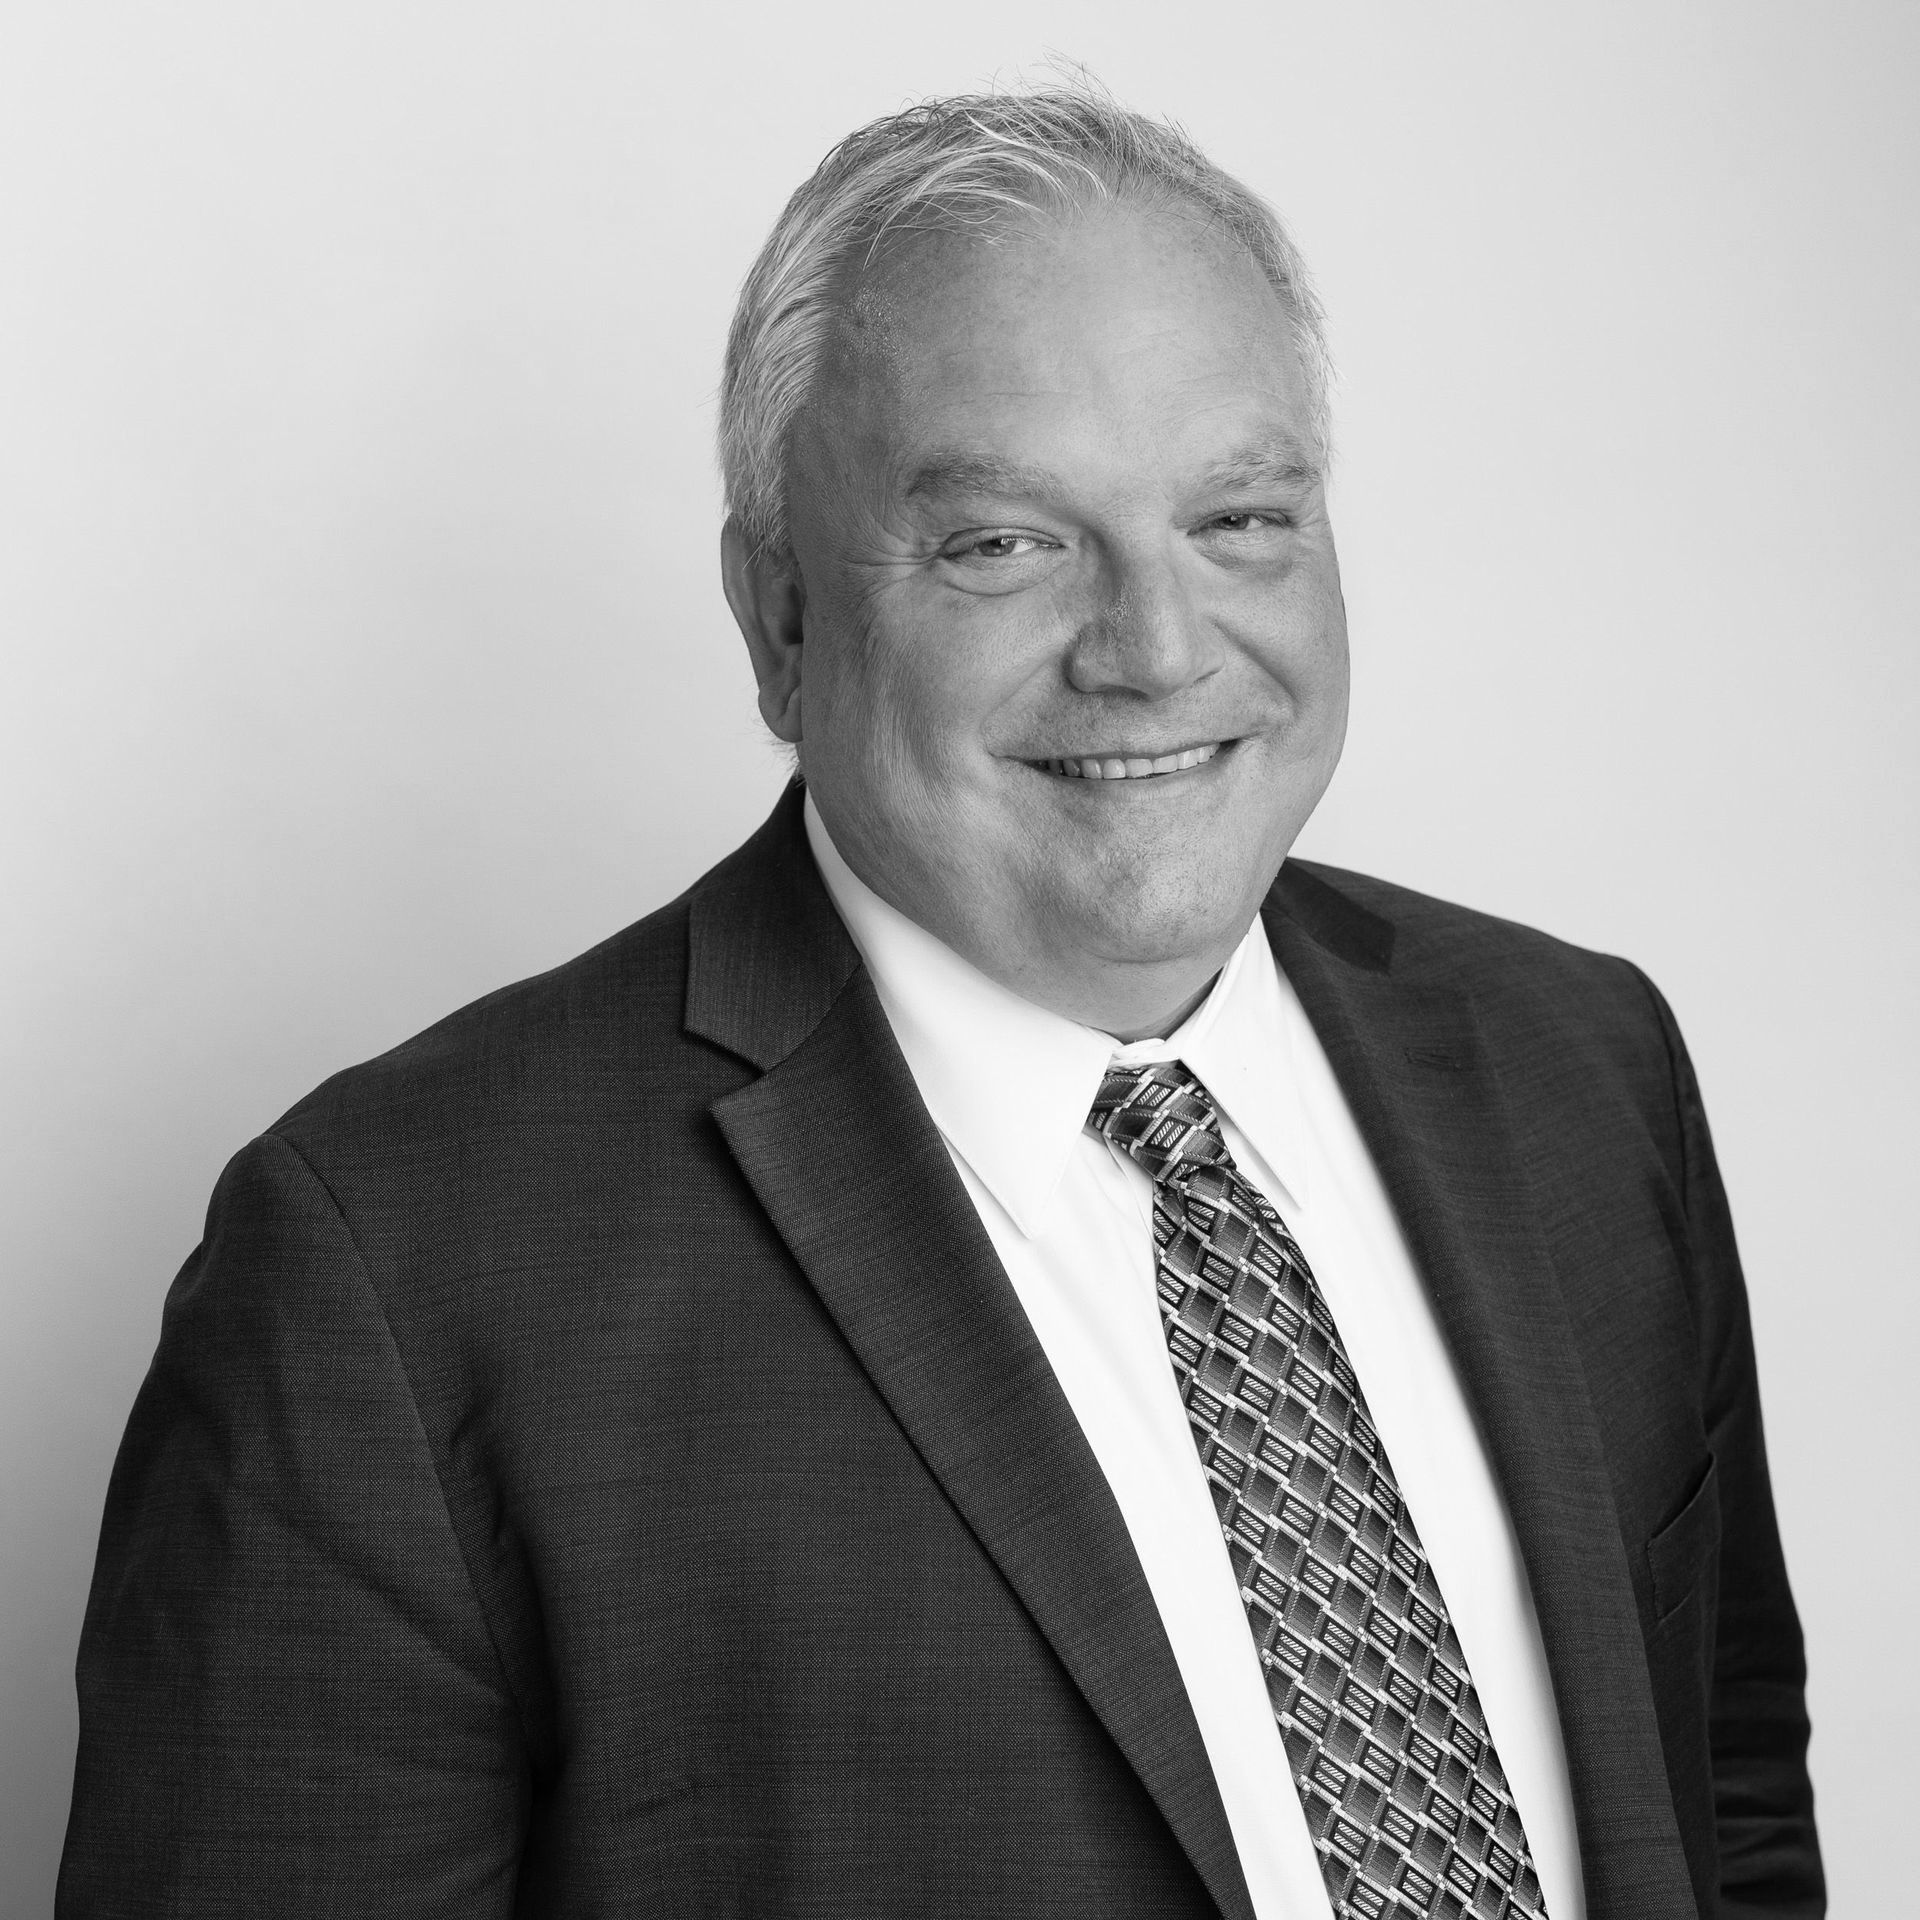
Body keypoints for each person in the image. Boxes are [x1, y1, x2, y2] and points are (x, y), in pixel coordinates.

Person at [57, 83, 1822, 1920]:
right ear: (781, 621)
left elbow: (1727, 1809)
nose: (1156, 647)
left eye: (1239, 516)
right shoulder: (398, 1271)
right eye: (1004, 543)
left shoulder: (1584, 1073)